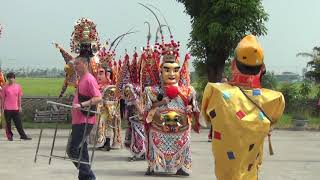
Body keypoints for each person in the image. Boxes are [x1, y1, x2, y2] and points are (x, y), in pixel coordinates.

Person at [201, 35, 285, 180]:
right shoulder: (274, 99)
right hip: (251, 169)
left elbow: (207, 119)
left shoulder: (216, 92)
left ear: (233, 64)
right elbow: (274, 120)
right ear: (262, 68)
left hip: (225, 169)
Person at [67, 54, 102, 180]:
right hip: (78, 121)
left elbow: (98, 98)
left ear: (86, 64)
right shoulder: (81, 79)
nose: (75, 66)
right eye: (74, 64)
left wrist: (82, 104)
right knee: (82, 151)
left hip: (84, 121)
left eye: (78, 64)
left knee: (72, 150)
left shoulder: (89, 79)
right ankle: (84, 178)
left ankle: (90, 176)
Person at [2, 72, 31, 141]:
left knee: (18, 123)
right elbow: (2, 99)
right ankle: (10, 136)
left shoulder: (18, 86)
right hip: (7, 109)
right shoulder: (5, 87)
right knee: (8, 124)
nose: (10, 80)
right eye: (9, 78)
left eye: (12, 78)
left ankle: (23, 136)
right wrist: (2, 108)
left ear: (14, 78)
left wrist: (20, 106)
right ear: (7, 79)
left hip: (15, 108)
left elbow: (19, 97)